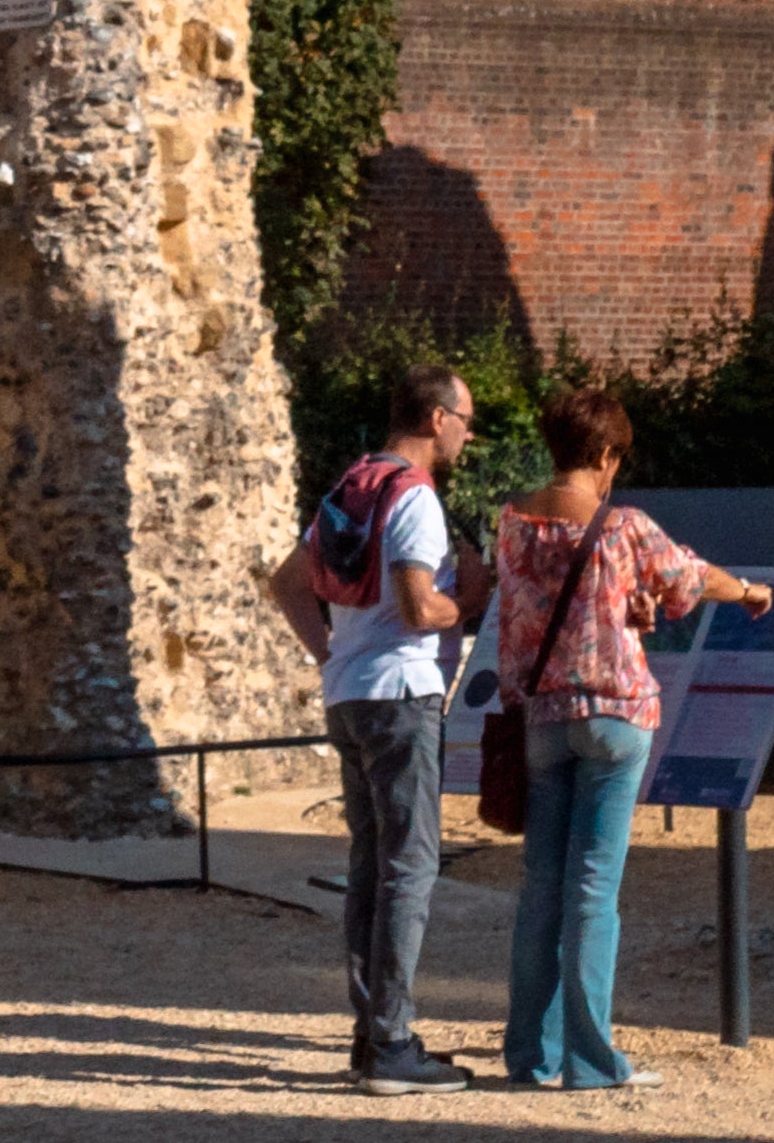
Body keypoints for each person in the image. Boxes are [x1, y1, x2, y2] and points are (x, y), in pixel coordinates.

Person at [488, 387, 774, 1091]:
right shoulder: (622, 525)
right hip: (615, 717)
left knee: (541, 889)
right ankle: (592, 1059)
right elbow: (689, 576)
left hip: (542, 718)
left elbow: (552, 608)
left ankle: (532, 1053)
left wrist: (630, 606)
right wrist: (746, 590)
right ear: (607, 453)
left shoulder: (512, 522)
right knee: (593, 889)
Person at [268, 364, 486, 1094]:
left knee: (371, 863)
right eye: (465, 419)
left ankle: (373, 1033)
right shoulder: (415, 497)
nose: (468, 433)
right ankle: (391, 1044)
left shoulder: (351, 486)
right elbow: (421, 607)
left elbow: (286, 581)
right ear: (435, 418)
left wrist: (331, 652)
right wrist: (473, 596)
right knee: (410, 866)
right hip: (401, 696)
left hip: (350, 695)